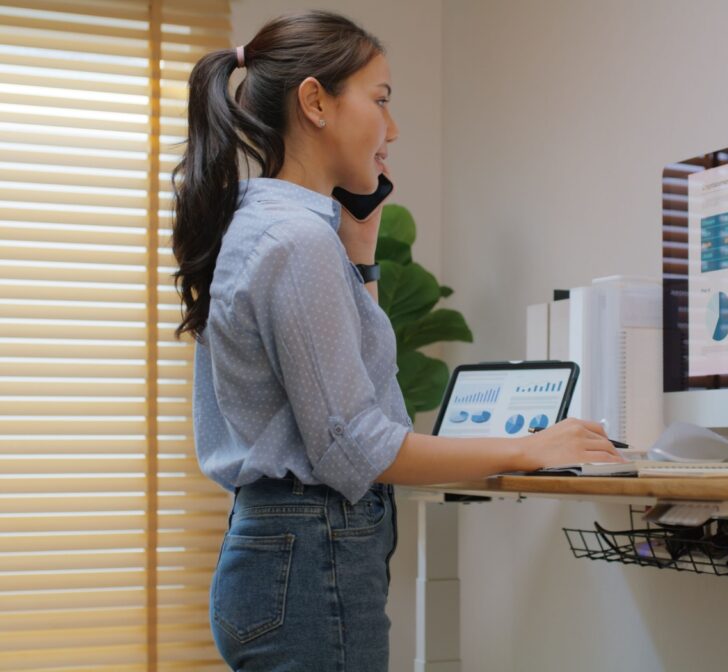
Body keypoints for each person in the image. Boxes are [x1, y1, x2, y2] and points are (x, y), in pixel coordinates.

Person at [170, 10, 624, 672]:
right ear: (316, 102)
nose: (394, 128)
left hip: (280, 555)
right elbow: (358, 445)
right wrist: (530, 447)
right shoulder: (295, 243)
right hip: (311, 555)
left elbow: (355, 402)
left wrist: (360, 256)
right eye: (380, 100)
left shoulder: (266, 225)